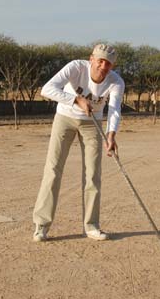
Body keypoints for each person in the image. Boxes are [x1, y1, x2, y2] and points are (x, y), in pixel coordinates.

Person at [32, 44, 125, 242]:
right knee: (53, 169)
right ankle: (41, 225)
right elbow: (47, 89)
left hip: (92, 124)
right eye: (100, 60)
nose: (103, 66)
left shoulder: (116, 81)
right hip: (65, 118)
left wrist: (111, 134)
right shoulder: (75, 67)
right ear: (91, 59)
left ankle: (91, 226)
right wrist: (76, 100)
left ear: (112, 66)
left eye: (108, 63)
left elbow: (115, 109)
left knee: (93, 174)